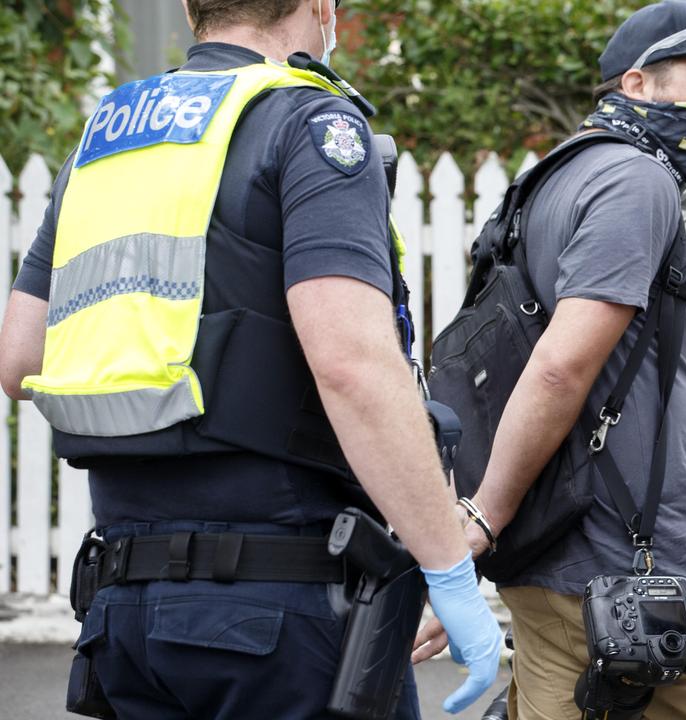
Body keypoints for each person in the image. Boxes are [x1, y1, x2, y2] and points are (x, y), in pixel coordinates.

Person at [0, 1, 502, 717]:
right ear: (321, 5)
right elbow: (351, 364)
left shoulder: (104, 143)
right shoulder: (310, 123)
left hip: (121, 612)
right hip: (276, 612)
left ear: (189, 8)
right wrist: (448, 570)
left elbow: (20, 359)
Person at [410, 2, 686, 718]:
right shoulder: (635, 181)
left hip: (558, 564)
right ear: (636, 85)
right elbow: (558, 366)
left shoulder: (547, 183)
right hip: (652, 568)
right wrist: (481, 520)